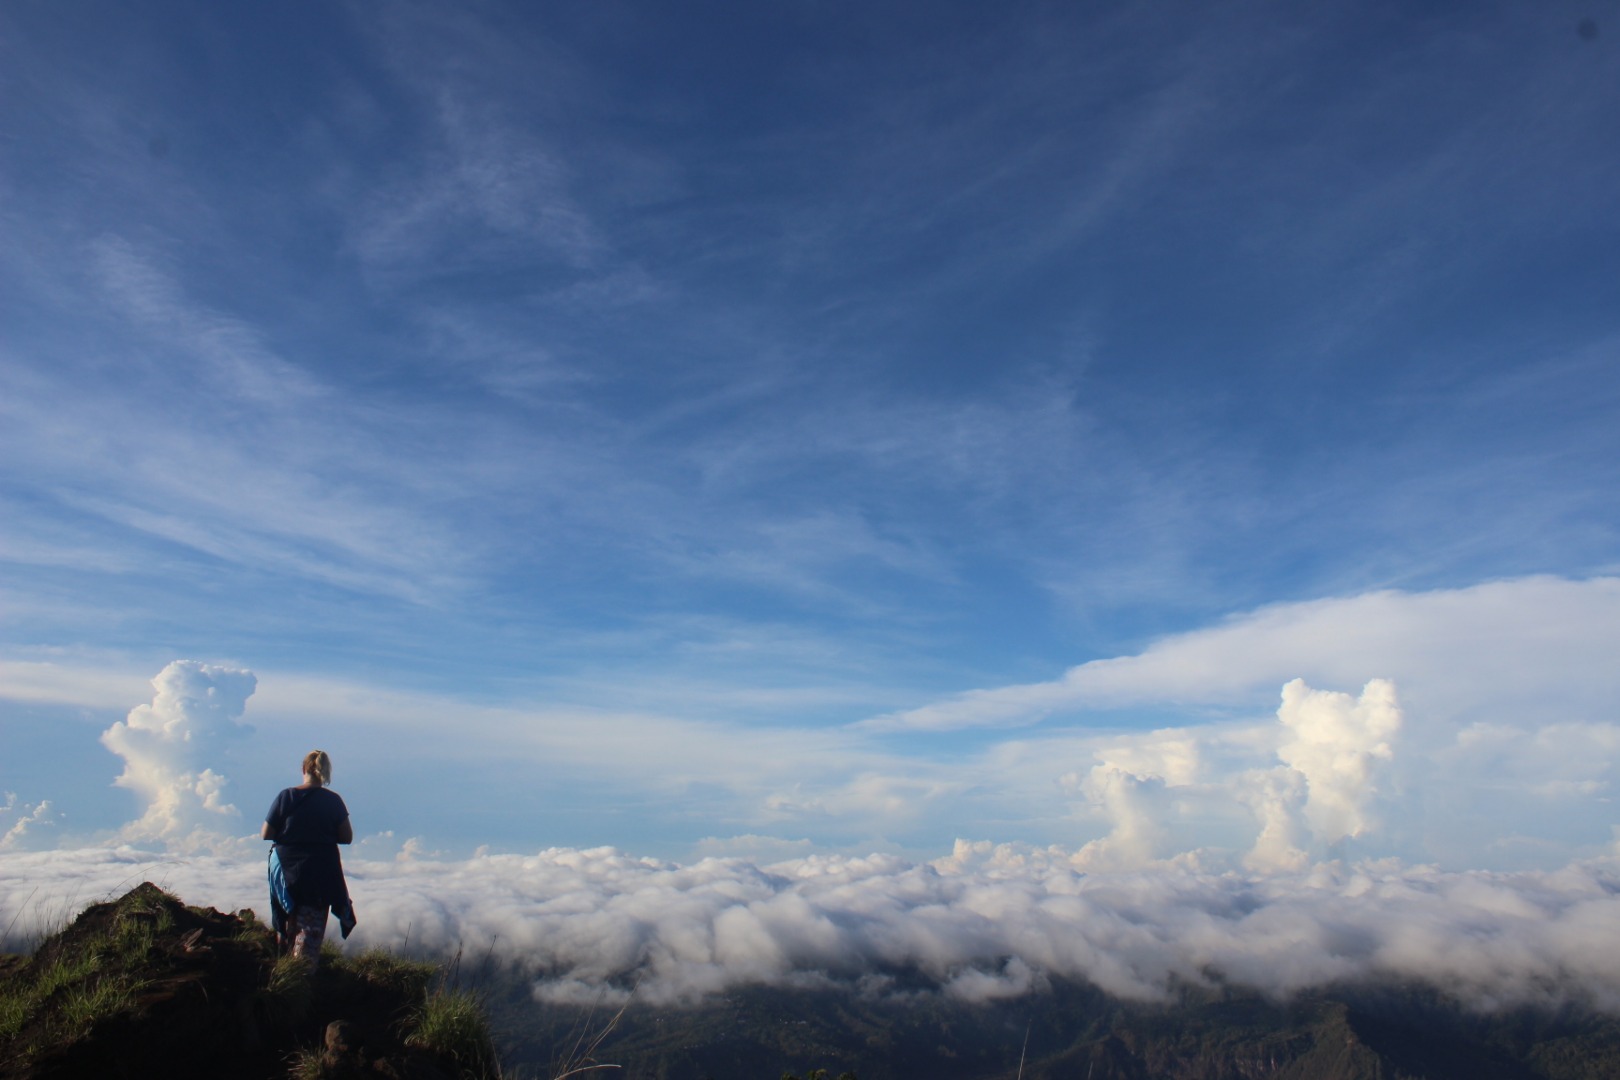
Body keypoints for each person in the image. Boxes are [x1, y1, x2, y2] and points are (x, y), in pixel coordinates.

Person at [263, 749, 357, 966]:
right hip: (320, 869)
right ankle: (302, 976)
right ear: (325, 772)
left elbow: (266, 833)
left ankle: (282, 970)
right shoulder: (333, 801)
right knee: (310, 928)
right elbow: (346, 837)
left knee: (287, 918)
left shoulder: (286, 796)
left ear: (303, 769)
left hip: (286, 868)